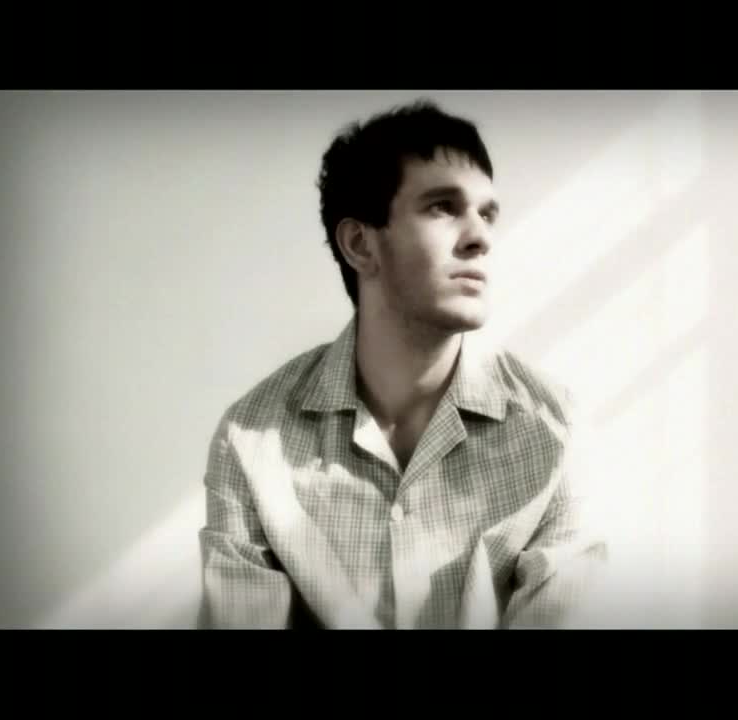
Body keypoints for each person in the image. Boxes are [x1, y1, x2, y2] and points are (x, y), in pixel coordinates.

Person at [198, 99, 606, 629]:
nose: (480, 237)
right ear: (360, 244)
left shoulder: (552, 428)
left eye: (487, 214)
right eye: (442, 207)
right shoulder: (252, 441)